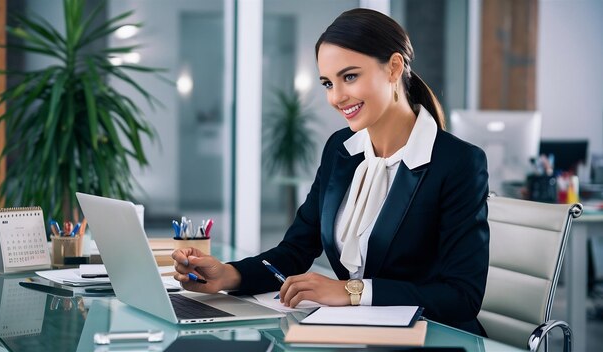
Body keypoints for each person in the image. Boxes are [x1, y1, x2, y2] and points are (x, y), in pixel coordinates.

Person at [172, 8, 489, 335]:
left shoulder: (457, 163)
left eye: (349, 76)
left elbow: (461, 296)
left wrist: (352, 293)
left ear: (394, 68)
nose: (336, 97)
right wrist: (229, 275)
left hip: (435, 336)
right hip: (358, 334)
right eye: (328, 82)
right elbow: (295, 251)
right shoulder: (342, 150)